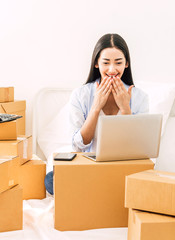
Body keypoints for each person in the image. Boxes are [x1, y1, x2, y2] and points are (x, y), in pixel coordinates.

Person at [44, 33, 149, 195]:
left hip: (123, 167)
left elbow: (138, 148)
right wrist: (95, 108)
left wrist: (125, 109)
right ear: (96, 64)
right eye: (106, 63)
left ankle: (99, 191)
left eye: (118, 63)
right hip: (90, 166)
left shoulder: (140, 97)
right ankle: (103, 191)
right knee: (52, 180)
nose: (112, 69)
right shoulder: (81, 95)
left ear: (126, 64)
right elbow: (77, 146)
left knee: (148, 180)